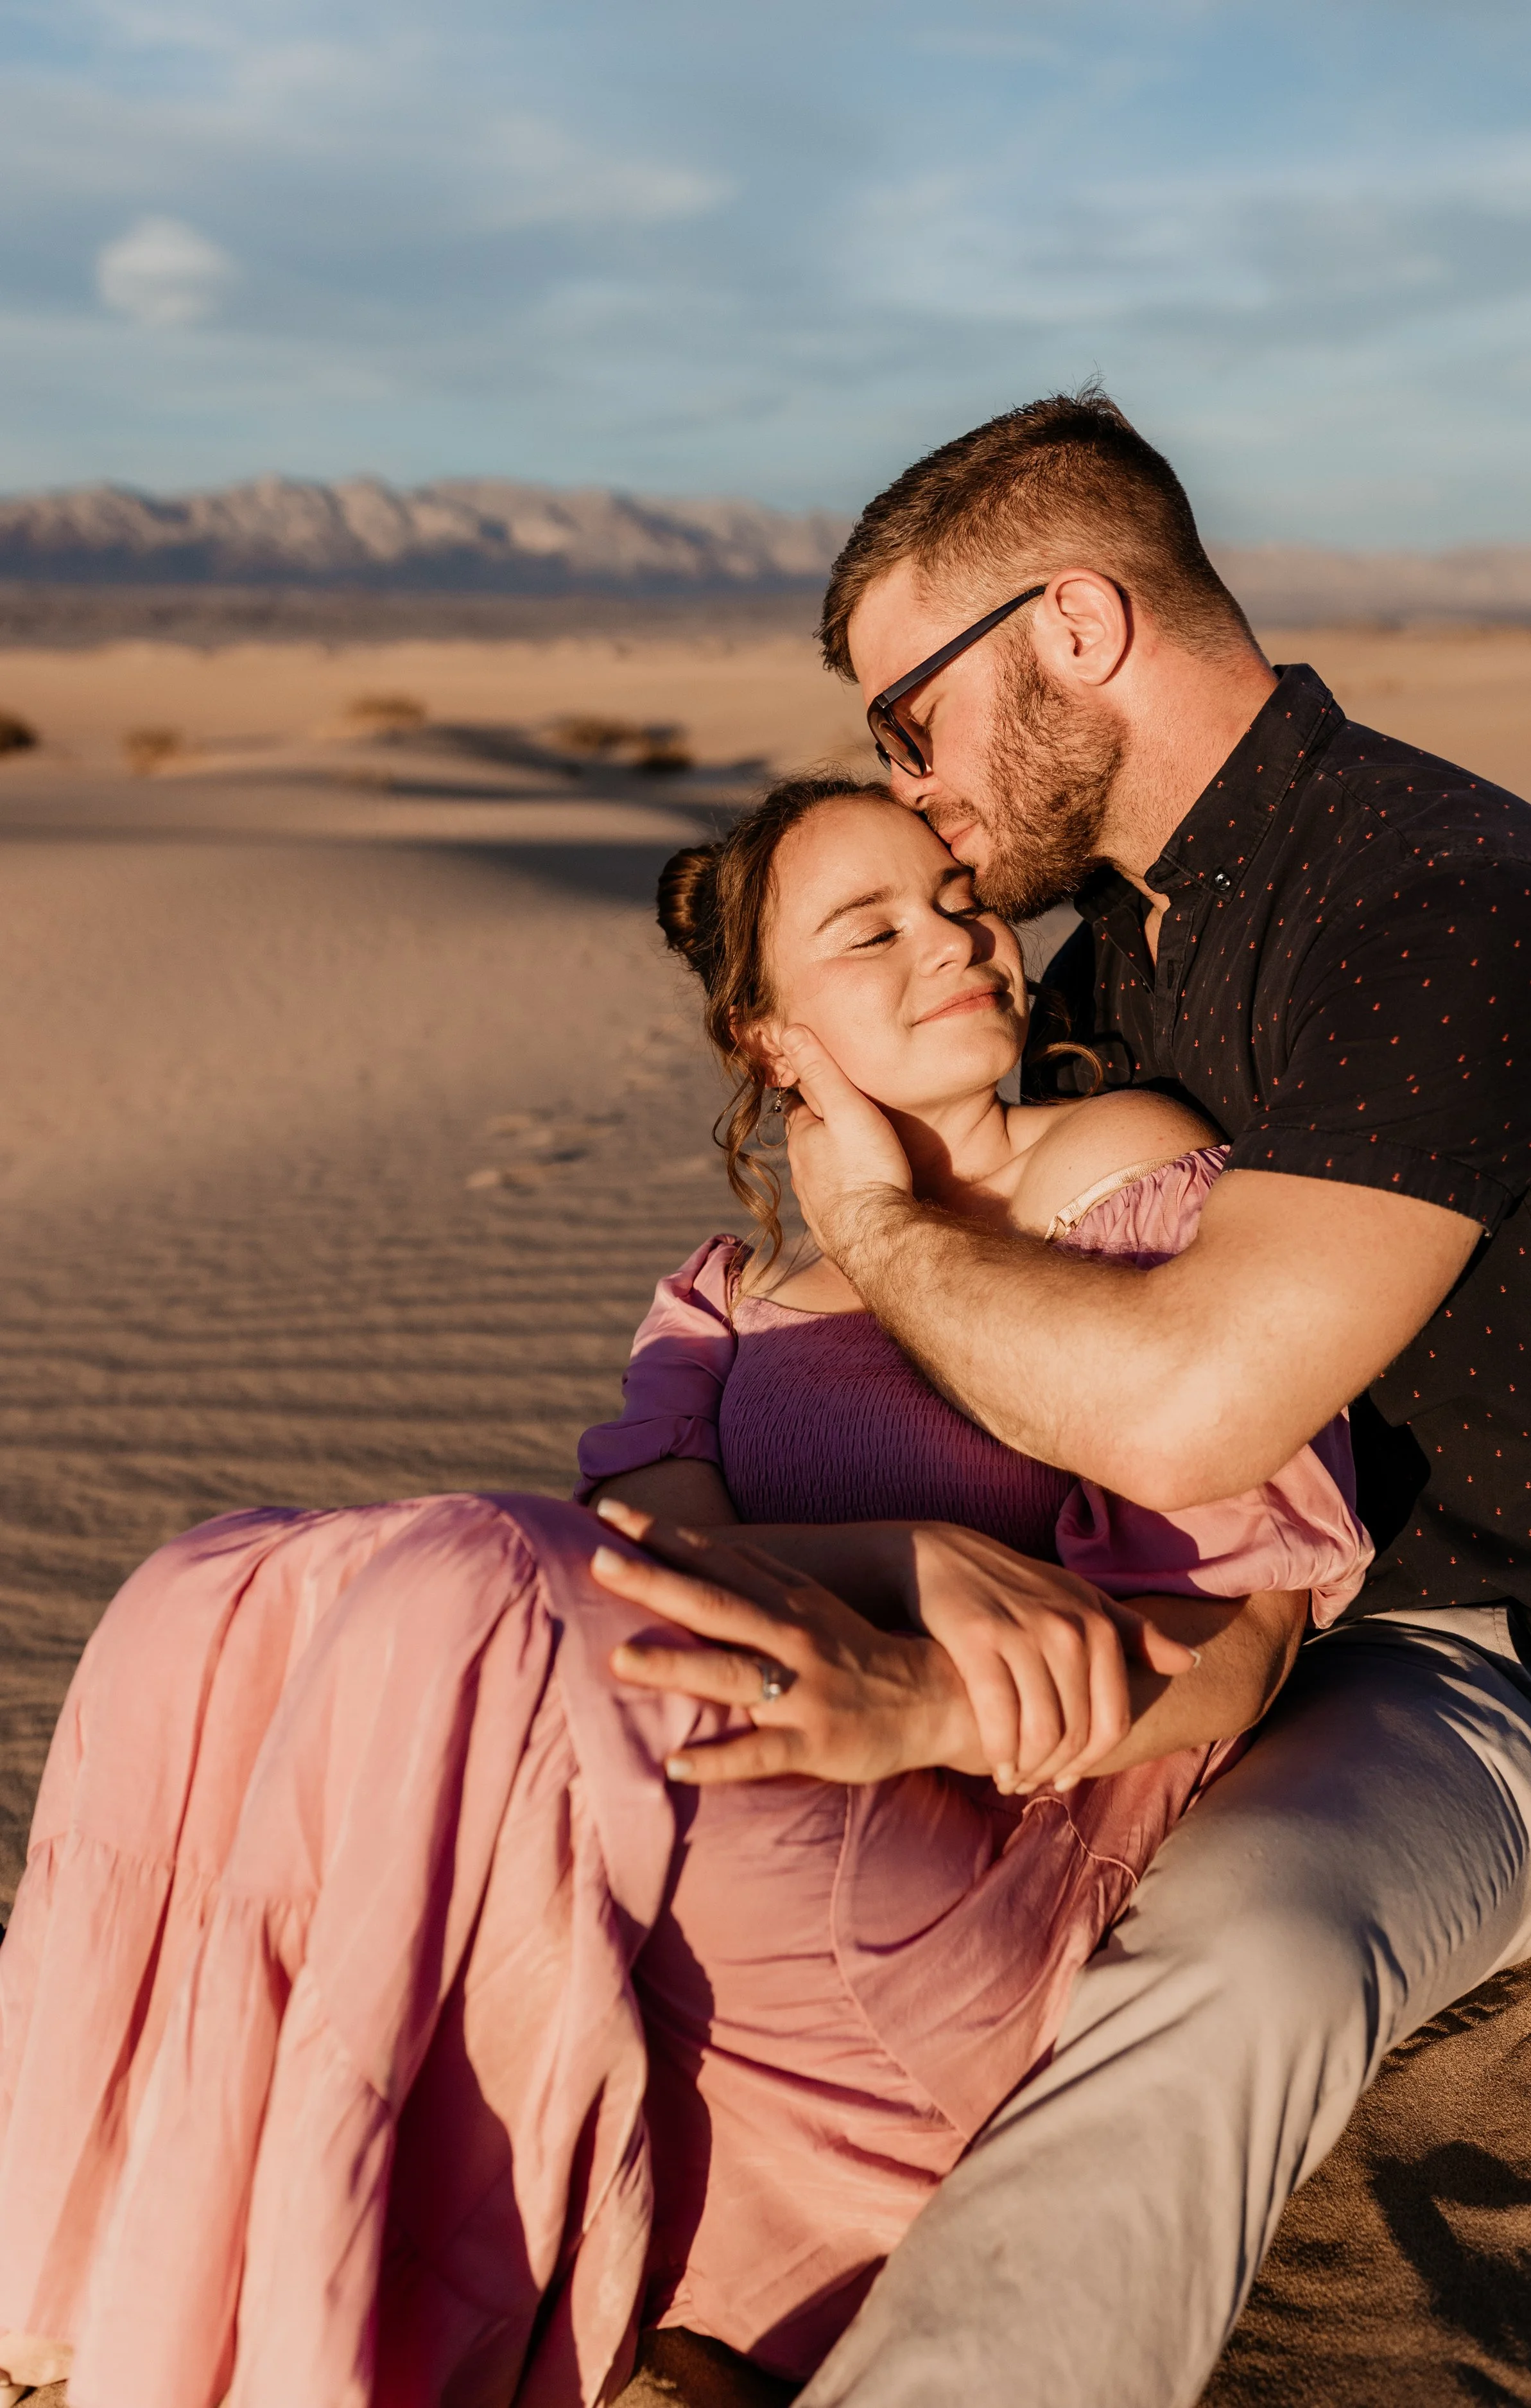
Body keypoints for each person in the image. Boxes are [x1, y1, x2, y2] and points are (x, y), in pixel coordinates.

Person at [0, 780, 1367, 2408]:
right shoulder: (721, 1307)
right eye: (869, 933)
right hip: (747, 1833)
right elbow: (643, 1579)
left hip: (993, 1869)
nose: (952, 939)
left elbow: (1233, 1637)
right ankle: (91, 2304)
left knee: (469, 1583)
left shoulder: (1130, 1177)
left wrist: (947, 1667)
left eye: (951, 897)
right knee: (195, 1588)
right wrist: (902, 1558)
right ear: (771, 1042)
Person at [616, 387, 1531, 2408]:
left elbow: (1175, 1417)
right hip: (1171, 1630)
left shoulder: (1440, 899)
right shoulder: (1089, 974)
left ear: (1070, 629)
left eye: (910, 715)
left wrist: (877, 1229)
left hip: (1480, 1654)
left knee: (1220, 1971)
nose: (911, 782)